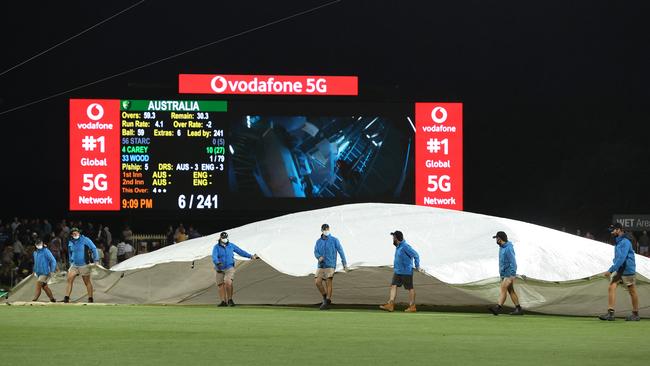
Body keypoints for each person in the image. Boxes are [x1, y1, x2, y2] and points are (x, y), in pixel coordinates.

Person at [599, 223, 640, 321]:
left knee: (632, 291)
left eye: (613, 230)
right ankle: (611, 313)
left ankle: (635, 314)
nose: (612, 232)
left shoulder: (625, 242)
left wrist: (610, 270)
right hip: (620, 269)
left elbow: (622, 258)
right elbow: (618, 257)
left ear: (619, 230)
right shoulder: (618, 241)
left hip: (627, 269)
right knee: (612, 287)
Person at [211, 232, 258, 307]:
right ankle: (223, 301)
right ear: (220, 238)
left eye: (226, 237)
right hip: (219, 268)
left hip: (229, 267)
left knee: (228, 282)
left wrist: (250, 256)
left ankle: (230, 299)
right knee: (220, 284)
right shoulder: (216, 247)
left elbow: (240, 251)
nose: (225, 239)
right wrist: (217, 262)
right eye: (223, 238)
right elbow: (214, 256)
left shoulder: (231, 245)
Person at [380, 231, 420, 313]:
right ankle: (390, 304)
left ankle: (412, 306)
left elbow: (416, 255)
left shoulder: (405, 246)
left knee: (410, 288)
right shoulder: (398, 247)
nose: (393, 240)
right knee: (393, 285)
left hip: (406, 272)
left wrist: (417, 265)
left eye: (393, 238)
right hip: (397, 271)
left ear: (397, 238)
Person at [313, 224, 348, 310]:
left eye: (327, 229)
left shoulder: (334, 240)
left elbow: (341, 251)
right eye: (324, 229)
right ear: (321, 230)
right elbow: (315, 251)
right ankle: (325, 297)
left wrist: (344, 263)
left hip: (330, 264)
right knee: (317, 281)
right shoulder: (318, 241)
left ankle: (327, 300)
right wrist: (318, 257)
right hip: (321, 265)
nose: (326, 231)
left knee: (328, 282)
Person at [488, 231, 524, 315]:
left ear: (500, 239)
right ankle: (518, 308)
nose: (496, 240)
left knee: (503, 289)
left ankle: (498, 308)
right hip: (504, 274)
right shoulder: (501, 247)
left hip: (509, 274)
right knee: (511, 290)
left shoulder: (508, 248)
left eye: (496, 238)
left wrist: (512, 275)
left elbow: (513, 262)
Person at [63, 227, 98, 303]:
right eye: (73, 233)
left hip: (84, 265)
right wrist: (70, 262)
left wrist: (96, 260)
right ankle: (66, 297)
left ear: (79, 233)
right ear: (71, 235)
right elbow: (70, 253)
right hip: (74, 265)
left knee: (87, 282)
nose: (75, 234)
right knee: (69, 280)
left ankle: (90, 298)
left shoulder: (85, 239)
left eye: (76, 232)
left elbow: (94, 248)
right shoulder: (71, 242)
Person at [32, 238, 57, 302]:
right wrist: (34, 271)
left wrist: (52, 270)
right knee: (44, 287)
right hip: (38, 273)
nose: (39, 245)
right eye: (38, 244)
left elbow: (53, 260)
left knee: (38, 283)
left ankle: (34, 299)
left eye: (40, 244)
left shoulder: (46, 251)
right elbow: (35, 263)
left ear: (42, 244)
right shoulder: (35, 253)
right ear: (35, 245)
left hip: (45, 272)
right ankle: (52, 299)